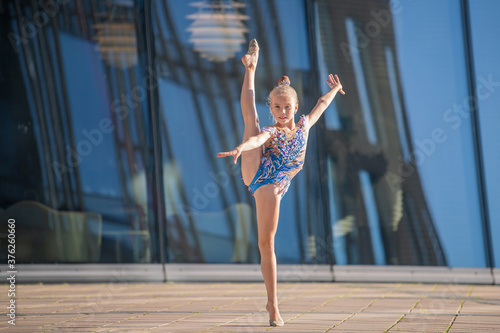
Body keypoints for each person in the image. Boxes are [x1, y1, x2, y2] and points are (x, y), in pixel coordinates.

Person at [217, 39, 345, 327]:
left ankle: (270, 301)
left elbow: (321, 104)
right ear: (272, 108)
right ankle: (273, 306)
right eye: (277, 107)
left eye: (287, 107)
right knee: (250, 121)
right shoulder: (272, 131)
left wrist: (335, 90)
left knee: (266, 242)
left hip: (276, 182)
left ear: (295, 106)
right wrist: (241, 147)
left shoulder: (304, 125)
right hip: (262, 176)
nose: (282, 112)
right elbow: (258, 139)